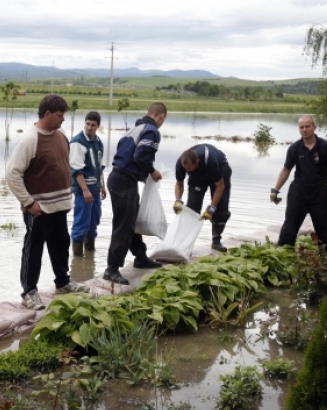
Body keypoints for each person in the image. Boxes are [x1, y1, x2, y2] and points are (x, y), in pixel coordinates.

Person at [6, 94, 90, 310]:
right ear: (47, 114)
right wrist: (27, 201)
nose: (63, 119)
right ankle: (29, 291)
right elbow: (13, 174)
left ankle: (62, 282)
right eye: (60, 115)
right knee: (33, 250)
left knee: (61, 246)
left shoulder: (60, 133)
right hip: (39, 208)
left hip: (60, 206)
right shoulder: (29, 139)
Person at [102, 102, 166, 285]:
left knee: (132, 221)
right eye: (162, 120)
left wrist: (140, 174)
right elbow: (141, 155)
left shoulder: (135, 128)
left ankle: (140, 257)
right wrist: (152, 171)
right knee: (124, 225)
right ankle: (111, 269)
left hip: (119, 177)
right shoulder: (152, 130)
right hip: (123, 181)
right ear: (161, 116)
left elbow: (125, 151)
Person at [270, 115, 327, 251]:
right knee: (290, 226)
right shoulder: (295, 148)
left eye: (307, 126)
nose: (304, 130)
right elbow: (286, 170)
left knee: (325, 226)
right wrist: (275, 190)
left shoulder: (325, 147)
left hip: (319, 192)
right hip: (299, 192)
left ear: (314, 127)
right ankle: (283, 254)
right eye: (301, 127)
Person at [174, 143, 232, 252]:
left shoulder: (211, 161)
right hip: (198, 176)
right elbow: (179, 184)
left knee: (220, 208)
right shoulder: (181, 164)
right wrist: (178, 200)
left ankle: (216, 241)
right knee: (192, 208)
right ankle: (186, 245)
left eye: (189, 168)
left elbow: (220, 186)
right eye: (185, 169)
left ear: (197, 162)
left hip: (220, 170)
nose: (187, 171)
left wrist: (211, 208)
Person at [70, 111, 106, 257]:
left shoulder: (98, 142)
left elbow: (99, 167)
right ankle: (78, 261)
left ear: (98, 126)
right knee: (81, 224)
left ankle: (90, 254)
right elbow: (76, 169)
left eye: (93, 125)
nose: (89, 127)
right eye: (87, 124)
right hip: (83, 191)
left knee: (93, 223)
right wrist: (85, 190)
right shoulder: (77, 142)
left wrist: (103, 185)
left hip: (95, 189)